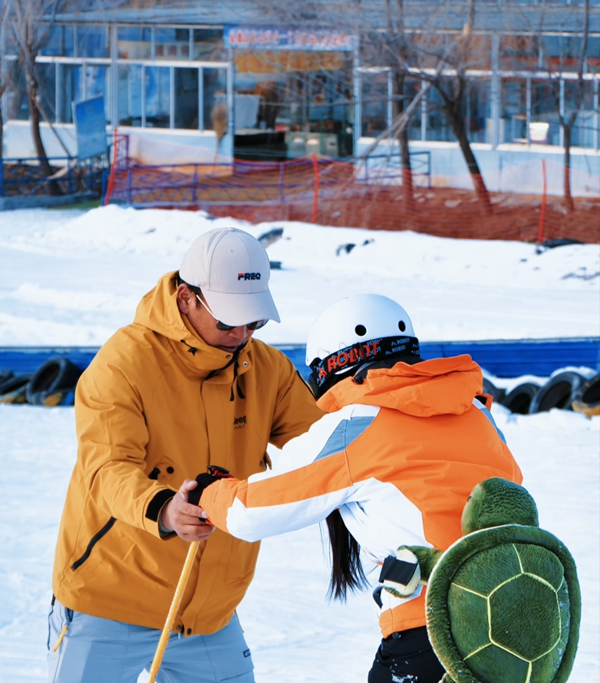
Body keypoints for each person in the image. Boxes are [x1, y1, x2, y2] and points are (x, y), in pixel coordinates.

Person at [194, 293, 523, 683]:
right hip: (519, 622)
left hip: (436, 629)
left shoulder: (359, 422)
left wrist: (209, 492)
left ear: (331, 367)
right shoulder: (476, 410)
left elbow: (252, 511)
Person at [48, 227, 323, 683]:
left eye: (253, 322)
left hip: (208, 614)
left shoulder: (267, 369)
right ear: (184, 298)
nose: (241, 335)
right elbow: (107, 469)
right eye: (228, 321)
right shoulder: (124, 363)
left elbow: (321, 446)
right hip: (107, 602)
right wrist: (164, 508)